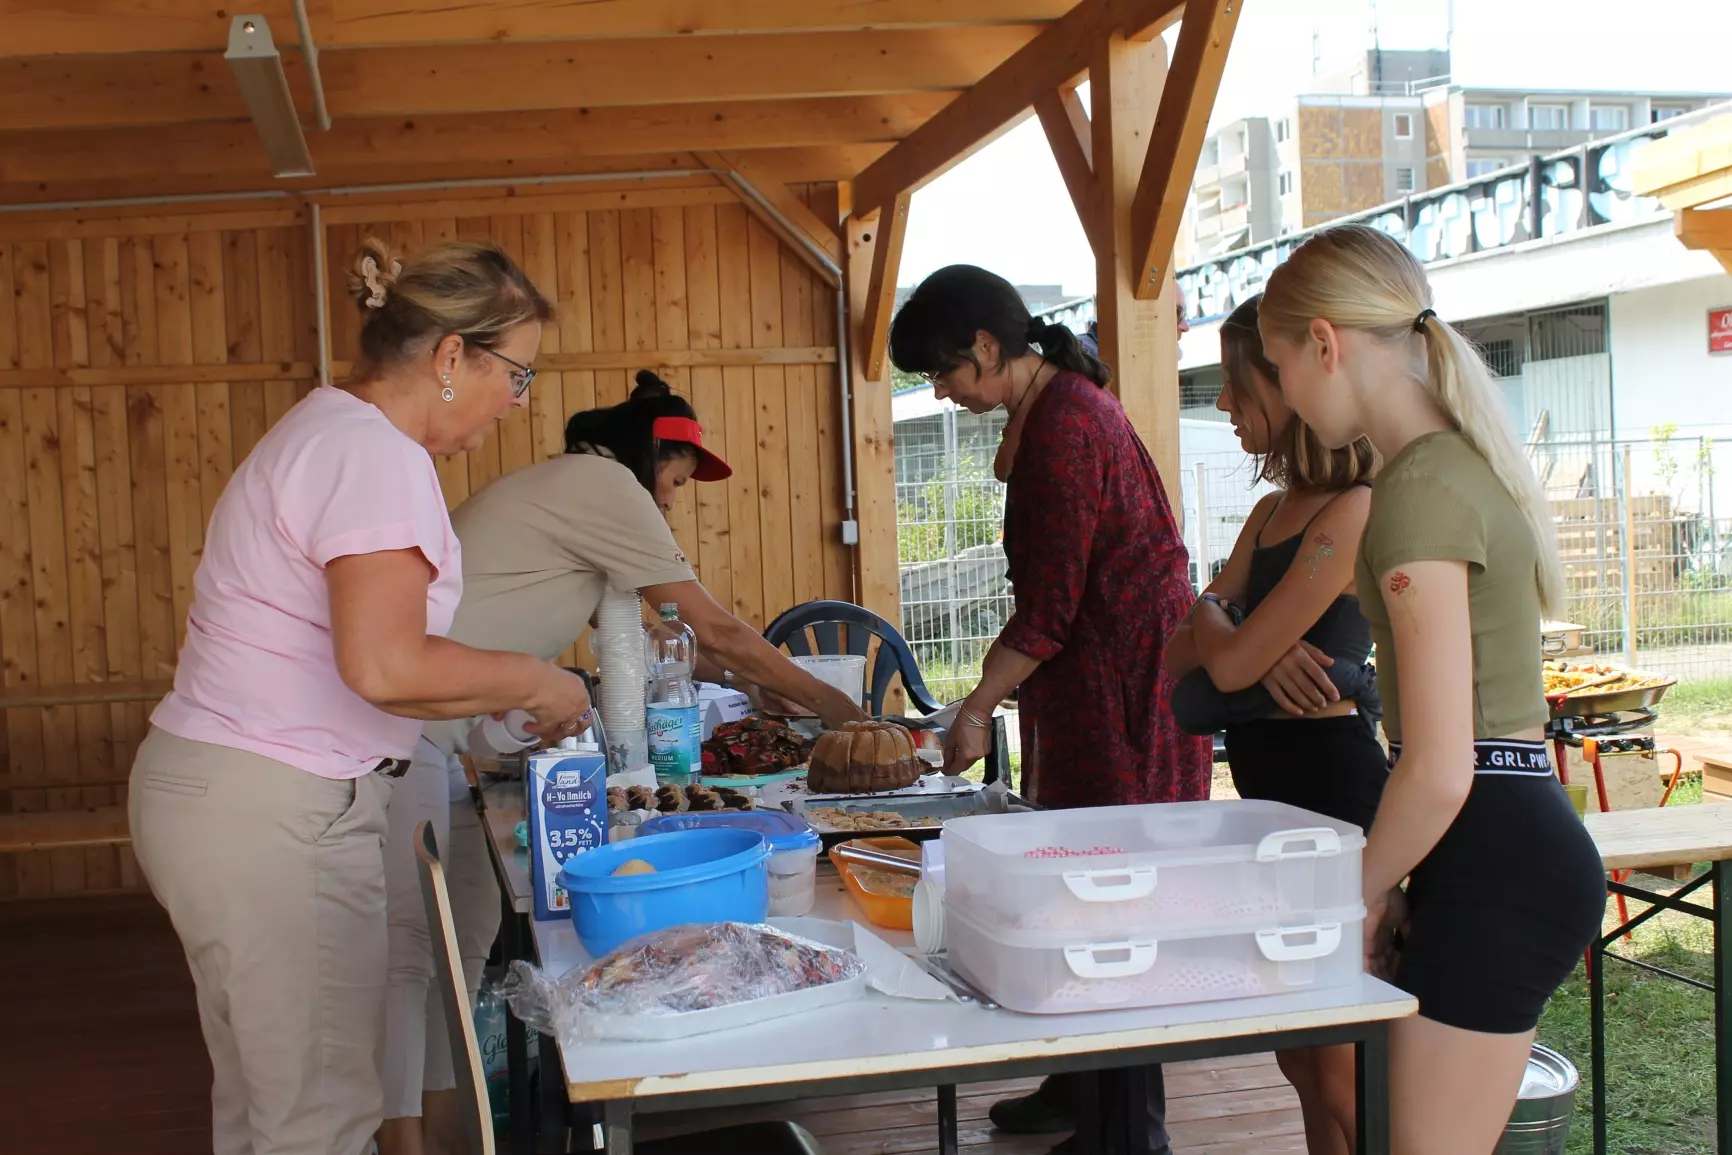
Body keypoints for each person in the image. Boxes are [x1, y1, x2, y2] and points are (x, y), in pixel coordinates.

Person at [128, 238, 593, 1155]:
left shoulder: (330, 430)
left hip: (222, 796)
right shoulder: (374, 456)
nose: (518, 400)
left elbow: (373, 666)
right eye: (519, 374)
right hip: (274, 810)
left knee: (270, 1111)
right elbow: (384, 665)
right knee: (321, 1120)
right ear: (452, 357)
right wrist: (538, 677)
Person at [379, 370, 869, 1155]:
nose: (674, 497)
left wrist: (758, 688)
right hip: (403, 735)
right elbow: (716, 631)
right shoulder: (605, 483)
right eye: (676, 477)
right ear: (652, 454)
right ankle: (406, 1142)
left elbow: (673, 650)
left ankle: (450, 1137)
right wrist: (839, 708)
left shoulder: (577, 486)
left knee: (457, 961)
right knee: (414, 964)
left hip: (438, 742)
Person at [1258, 223, 1604, 1155]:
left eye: (1280, 365)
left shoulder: (1416, 488)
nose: (1284, 397)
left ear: (1324, 344)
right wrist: (1407, 878)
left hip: (1499, 852)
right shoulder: (1450, 464)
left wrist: (1356, 893)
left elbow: (1445, 765)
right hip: (1493, 845)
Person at [888, 265, 1211, 1155]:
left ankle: (1129, 1133)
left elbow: (1050, 610)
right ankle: (1080, 1088)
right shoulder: (1051, 408)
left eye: (943, 373)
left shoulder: (1068, 424)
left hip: (1125, 695)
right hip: (1091, 687)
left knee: (1113, 903)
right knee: (1081, 889)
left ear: (987, 349)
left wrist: (972, 709)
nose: (943, 392)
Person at [1163, 295, 1386, 1155]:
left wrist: (1231, 625)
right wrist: (1232, 621)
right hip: (1270, 805)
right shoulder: (1270, 513)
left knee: (1342, 1067)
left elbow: (1222, 661)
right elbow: (1185, 647)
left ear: (1288, 383)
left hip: (1334, 797)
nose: (1222, 403)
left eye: (1234, 383)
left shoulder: (1352, 508)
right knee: (1298, 1056)